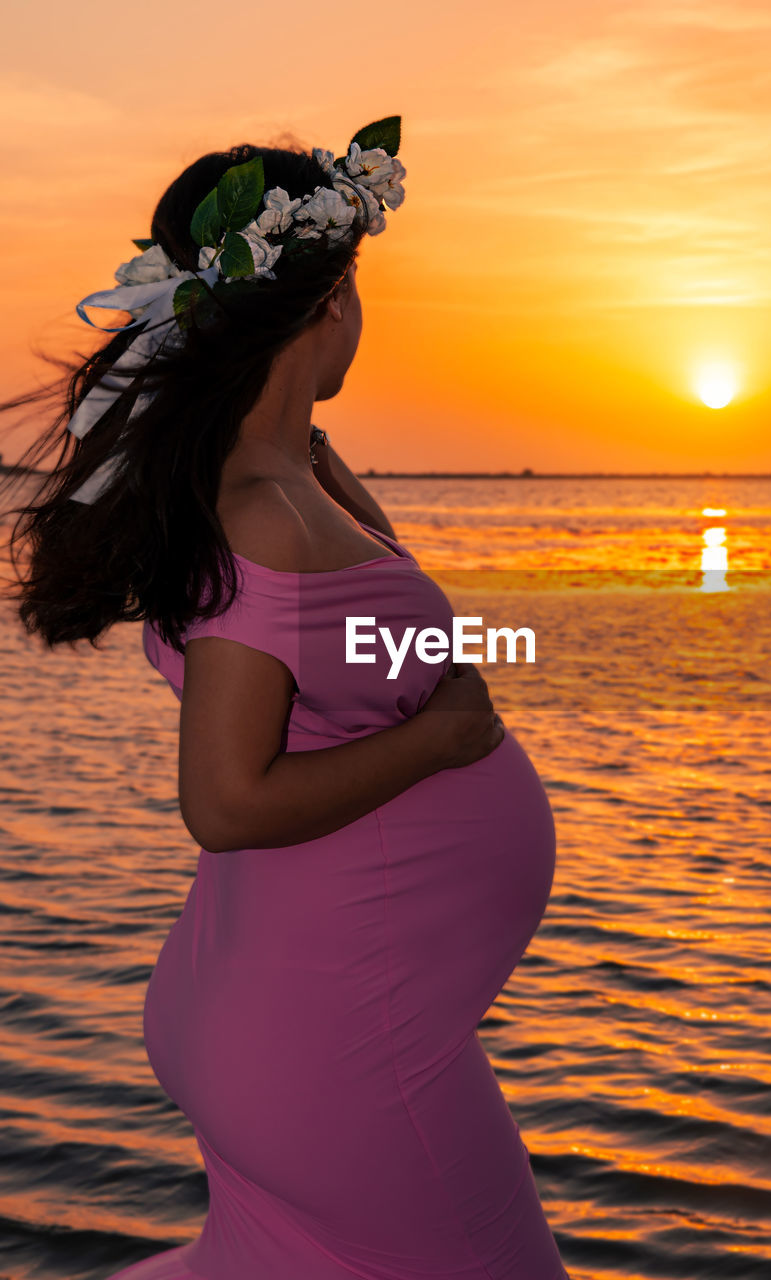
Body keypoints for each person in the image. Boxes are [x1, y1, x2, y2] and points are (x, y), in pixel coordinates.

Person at [0, 117, 568, 1278]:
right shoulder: (260, 510)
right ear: (326, 304)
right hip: (334, 1039)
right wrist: (444, 739)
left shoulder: (277, 483)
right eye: (355, 289)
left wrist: (351, 497)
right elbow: (225, 798)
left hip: (312, 1012)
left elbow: (367, 642)